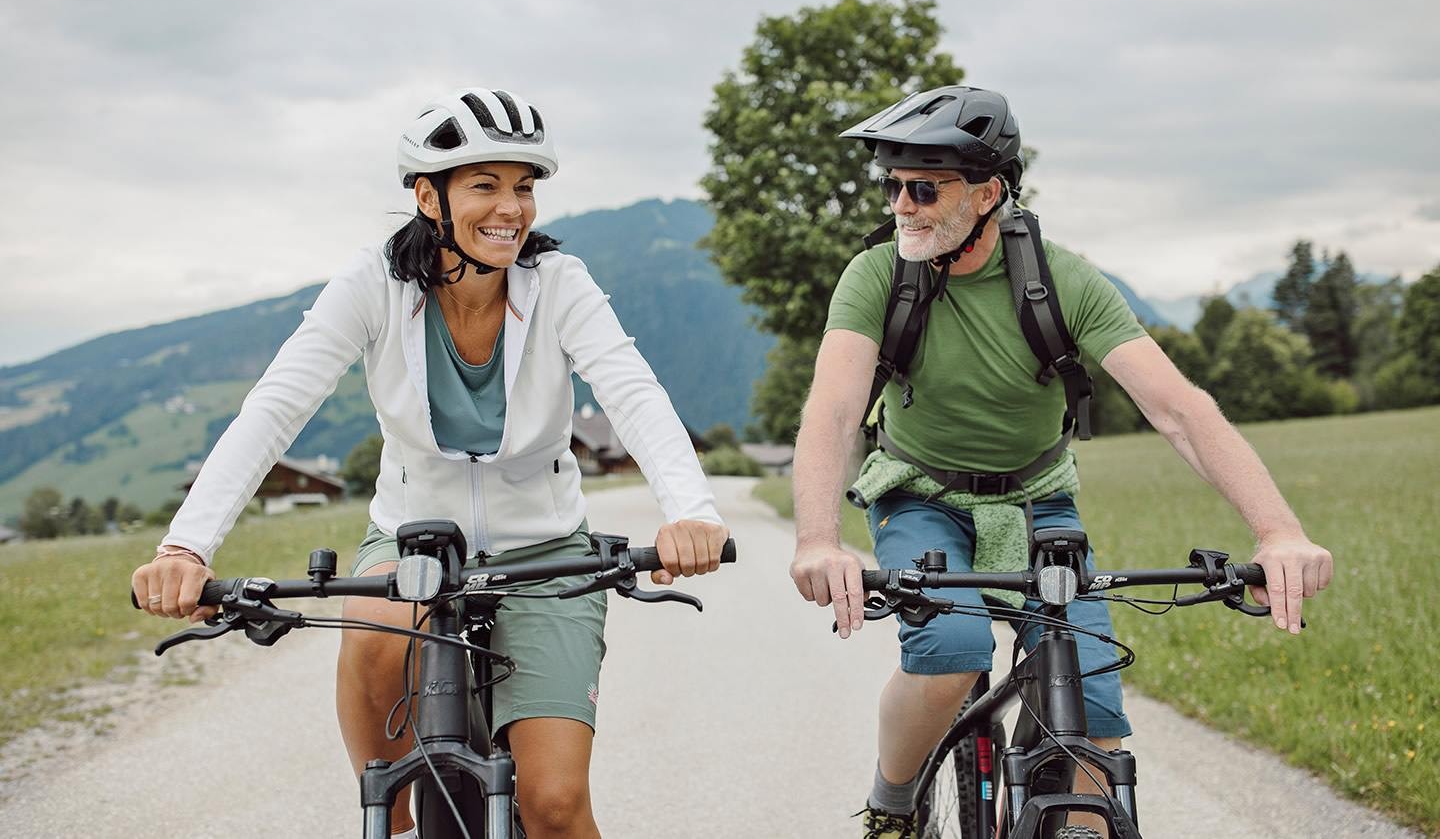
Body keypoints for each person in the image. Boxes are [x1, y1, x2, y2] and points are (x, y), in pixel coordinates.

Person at [131, 88, 729, 839]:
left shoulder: (558, 284)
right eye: (485, 185)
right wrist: (185, 547)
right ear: (427, 197)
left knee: (553, 808)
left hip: (545, 552)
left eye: (524, 187)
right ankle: (390, 812)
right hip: (413, 543)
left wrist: (690, 512)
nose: (511, 208)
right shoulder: (374, 283)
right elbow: (275, 407)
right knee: (379, 635)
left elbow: (633, 392)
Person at [786, 85, 1334, 838]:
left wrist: (1279, 532)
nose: (901, 206)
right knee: (951, 649)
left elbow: (1180, 410)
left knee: (1093, 705)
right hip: (920, 495)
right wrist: (818, 540)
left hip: (1038, 503)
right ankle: (893, 806)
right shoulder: (878, 275)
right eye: (893, 186)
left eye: (924, 188)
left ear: (988, 193)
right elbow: (834, 408)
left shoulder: (1061, 282)